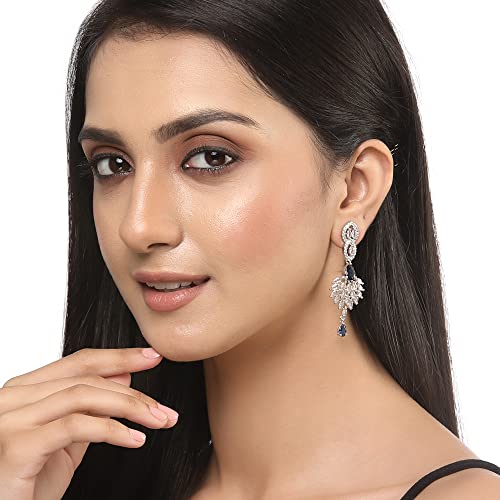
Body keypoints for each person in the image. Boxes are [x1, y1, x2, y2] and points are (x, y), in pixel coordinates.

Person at [0, 1, 498, 499]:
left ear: (354, 189)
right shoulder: (64, 481)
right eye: (113, 165)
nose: (138, 226)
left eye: (210, 157)